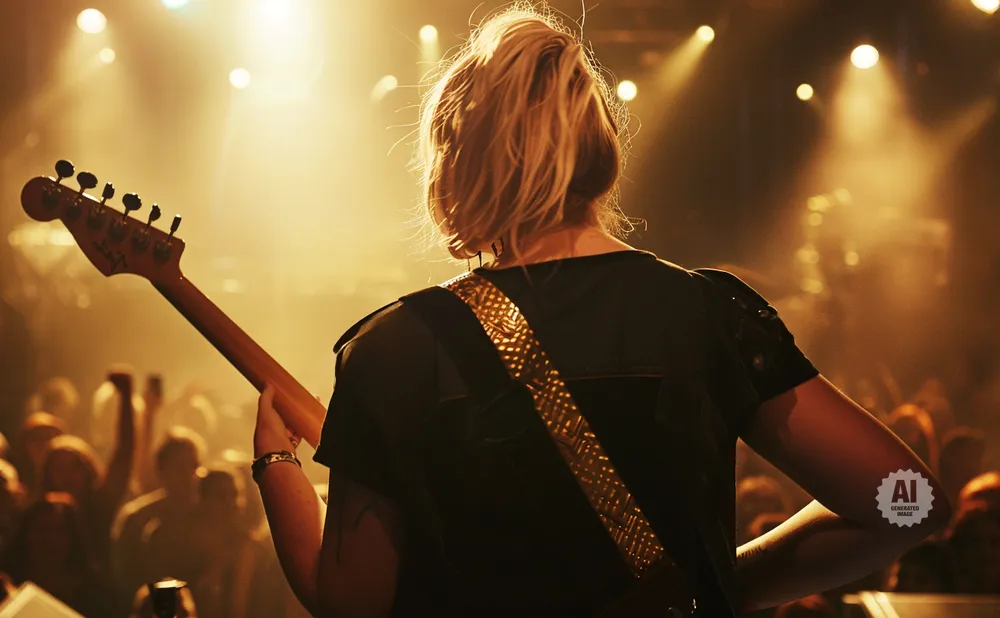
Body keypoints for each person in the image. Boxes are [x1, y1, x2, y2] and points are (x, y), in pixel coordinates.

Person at [250, 6, 951, 617]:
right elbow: (909, 502)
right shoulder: (709, 316)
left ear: (453, 162)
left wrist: (277, 462)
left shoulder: (394, 348)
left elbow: (350, 604)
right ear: (601, 150)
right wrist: (717, 587)